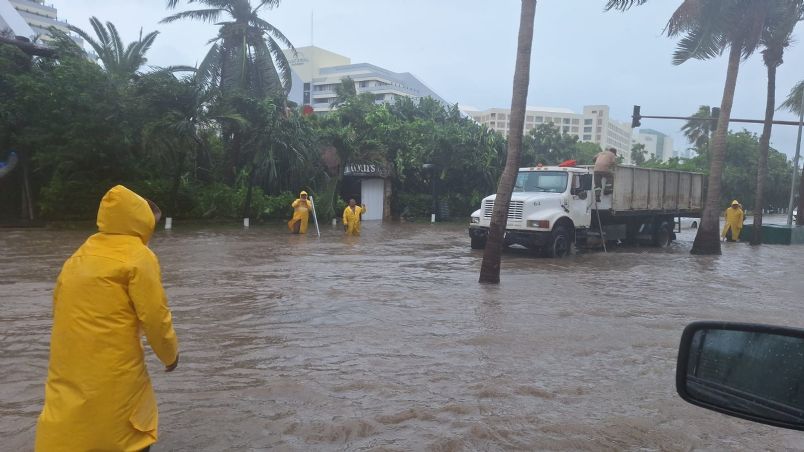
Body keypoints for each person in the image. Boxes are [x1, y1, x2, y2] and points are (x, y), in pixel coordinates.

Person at [35, 185, 179, 452]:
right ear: (142, 221)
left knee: (69, 426)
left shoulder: (79, 254)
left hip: (69, 365)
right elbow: (155, 317)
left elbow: (58, 305)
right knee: (125, 430)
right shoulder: (139, 256)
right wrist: (170, 356)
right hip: (116, 369)